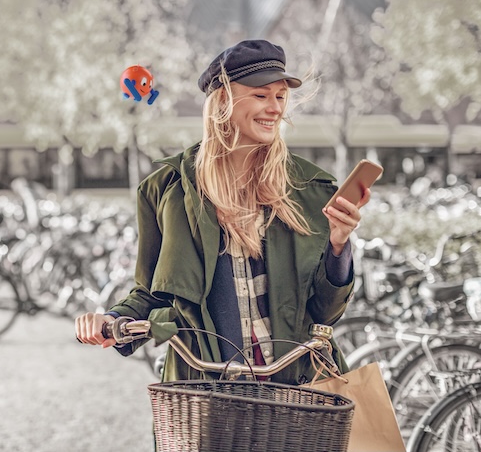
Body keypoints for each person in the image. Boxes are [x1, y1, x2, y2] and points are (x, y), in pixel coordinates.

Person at [75, 40, 370, 385]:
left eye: (279, 96)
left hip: (297, 387)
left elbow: (325, 314)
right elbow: (154, 292)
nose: (274, 108)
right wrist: (110, 319)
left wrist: (338, 244)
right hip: (210, 388)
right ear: (223, 101)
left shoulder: (307, 188)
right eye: (261, 95)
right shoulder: (168, 191)